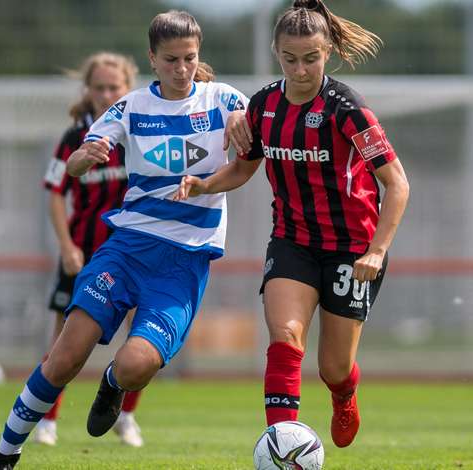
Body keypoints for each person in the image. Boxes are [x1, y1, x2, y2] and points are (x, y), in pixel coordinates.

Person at [0, 10, 248, 470]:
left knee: (134, 366)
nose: (182, 69)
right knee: (65, 355)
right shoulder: (130, 108)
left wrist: (225, 158)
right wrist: (85, 157)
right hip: (127, 249)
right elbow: (73, 167)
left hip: (183, 263)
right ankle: (5, 453)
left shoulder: (224, 100)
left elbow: (250, 159)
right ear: (152, 58)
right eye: (170, 60)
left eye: (189, 58)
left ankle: (111, 382)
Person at [174, 0, 409, 449]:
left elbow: (397, 184)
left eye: (311, 58)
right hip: (292, 242)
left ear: (328, 54)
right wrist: (205, 185)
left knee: (333, 368)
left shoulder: (348, 109)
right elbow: (243, 170)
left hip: (352, 248)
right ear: (275, 53)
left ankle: (344, 395)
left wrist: (376, 251)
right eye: (290, 58)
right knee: (284, 336)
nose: (301, 70)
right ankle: (280, 446)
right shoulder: (262, 105)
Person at [35, 51, 144, 448]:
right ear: (88, 90)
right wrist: (66, 247)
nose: (106, 94)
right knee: (63, 341)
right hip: (84, 252)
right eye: (99, 87)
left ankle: (126, 416)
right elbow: (53, 194)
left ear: (127, 89)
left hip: (132, 251)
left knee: (140, 336)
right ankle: (47, 420)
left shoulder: (140, 130)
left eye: (113, 87)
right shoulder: (73, 136)